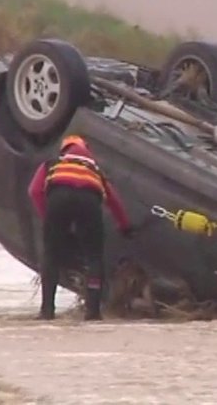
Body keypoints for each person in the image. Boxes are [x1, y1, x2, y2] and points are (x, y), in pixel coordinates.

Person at [28, 134, 134, 321]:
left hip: (58, 200)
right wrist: (124, 226)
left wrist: (49, 218)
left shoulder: (52, 165)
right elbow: (114, 201)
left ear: (65, 150)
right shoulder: (95, 170)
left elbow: (35, 191)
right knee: (94, 257)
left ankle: (47, 311)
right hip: (88, 202)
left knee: (51, 256)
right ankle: (93, 312)